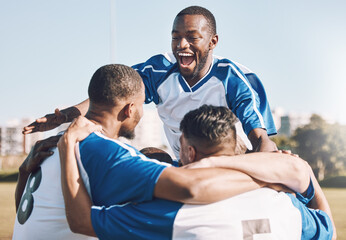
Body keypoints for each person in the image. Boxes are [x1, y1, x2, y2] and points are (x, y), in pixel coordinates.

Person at [53, 64, 333, 239]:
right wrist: (300, 173)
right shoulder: (286, 204)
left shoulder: (173, 212)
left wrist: (67, 149)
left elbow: (82, 222)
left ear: (187, 151)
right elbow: (327, 228)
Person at [23, 6, 277, 158]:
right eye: (175, 37)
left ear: (213, 42)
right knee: (151, 158)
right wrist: (64, 116)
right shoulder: (159, 70)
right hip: (185, 163)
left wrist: (265, 161)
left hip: (230, 162)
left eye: (191, 37)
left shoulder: (233, 78)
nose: (181, 45)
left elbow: (261, 137)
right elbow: (111, 97)